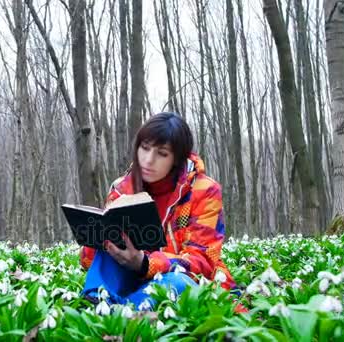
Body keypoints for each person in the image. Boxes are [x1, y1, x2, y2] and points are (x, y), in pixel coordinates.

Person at [79, 112, 239, 310]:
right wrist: (94, 237)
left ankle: (120, 314)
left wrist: (145, 264)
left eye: (162, 153)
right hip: (132, 278)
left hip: (180, 280)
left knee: (179, 283)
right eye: (144, 148)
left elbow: (202, 260)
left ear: (177, 159)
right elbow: (90, 262)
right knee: (108, 248)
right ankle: (98, 302)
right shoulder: (122, 188)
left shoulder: (204, 190)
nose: (148, 160)